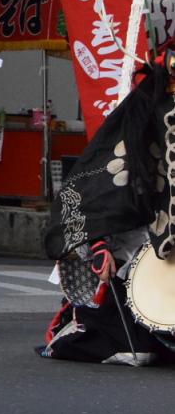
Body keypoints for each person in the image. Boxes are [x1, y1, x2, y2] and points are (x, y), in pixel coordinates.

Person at [40, 44, 175, 365]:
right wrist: (99, 247)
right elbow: (89, 201)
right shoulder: (137, 132)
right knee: (135, 349)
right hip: (130, 257)